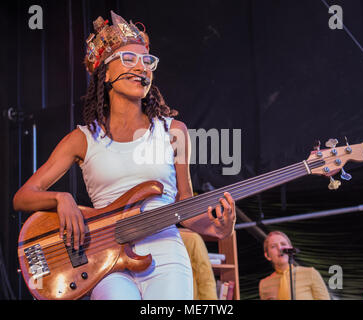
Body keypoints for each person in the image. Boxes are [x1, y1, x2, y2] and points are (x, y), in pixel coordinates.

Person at [13, 11, 236, 300]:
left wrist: (219, 227)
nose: (141, 68)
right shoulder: (82, 139)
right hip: (105, 260)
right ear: (105, 74)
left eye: (147, 61)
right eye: (129, 60)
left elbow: (185, 204)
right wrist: (61, 199)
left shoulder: (174, 131)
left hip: (166, 254)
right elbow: (23, 196)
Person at [259, 231, 330, 300]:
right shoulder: (264, 284)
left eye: (283, 244)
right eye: (273, 246)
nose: (280, 248)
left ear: (291, 249)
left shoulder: (310, 273)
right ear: (267, 255)